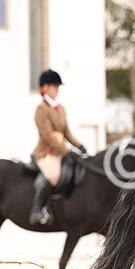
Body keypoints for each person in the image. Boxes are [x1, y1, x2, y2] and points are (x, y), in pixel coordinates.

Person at [30, 69, 86, 225]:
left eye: (57, 86)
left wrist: (79, 145)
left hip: (60, 152)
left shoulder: (60, 108)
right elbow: (47, 135)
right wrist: (67, 151)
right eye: (54, 86)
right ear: (45, 87)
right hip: (45, 153)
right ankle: (36, 210)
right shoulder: (41, 109)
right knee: (53, 175)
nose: (57, 89)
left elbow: (66, 132)